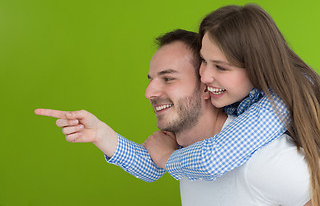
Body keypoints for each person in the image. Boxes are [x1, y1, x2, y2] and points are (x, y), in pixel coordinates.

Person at [35, 29, 311, 205]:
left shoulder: (261, 160)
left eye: (168, 78)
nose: (148, 92)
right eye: (152, 79)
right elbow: (155, 166)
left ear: (207, 85)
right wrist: (101, 134)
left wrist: (168, 158)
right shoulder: (185, 154)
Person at [144, 5, 320, 205]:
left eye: (221, 67)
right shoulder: (218, 118)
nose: (205, 76)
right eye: (203, 60)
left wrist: (169, 158)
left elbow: (213, 159)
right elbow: (150, 163)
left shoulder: (275, 111)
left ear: (256, 69)